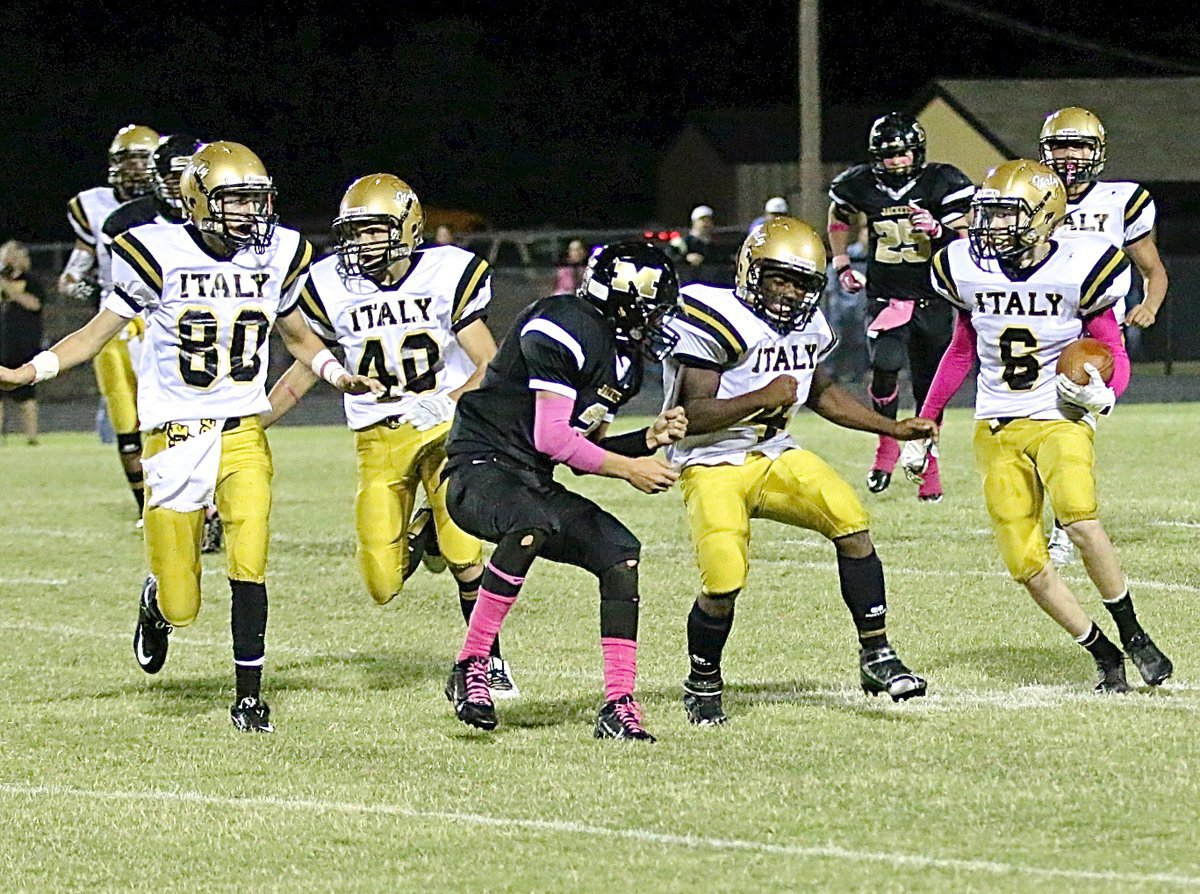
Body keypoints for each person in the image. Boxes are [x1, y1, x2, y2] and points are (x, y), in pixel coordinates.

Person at [0, 141, 383, 732]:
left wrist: (336, 373)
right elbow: (96, 334)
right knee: (183, 602)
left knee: (250, 559)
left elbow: (301, 339)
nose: (250, 215)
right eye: (236, 201)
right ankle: (157, 600)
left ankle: (248, 696)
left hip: (241, 432)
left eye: (257, 200)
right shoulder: (155, 253)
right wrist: (32, 370)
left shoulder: (276, 256)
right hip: (175, 436)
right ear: (199, 200)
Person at [904, 159, 1172, 692]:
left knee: (1077, 517)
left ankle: (1135, 632)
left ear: (1045, 217)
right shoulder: (963, 265)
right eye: (990, 214)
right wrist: (927, 420)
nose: (992, 227)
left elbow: (1112, 350)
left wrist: (1105, 393)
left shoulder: (1083, 265)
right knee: (1025, 561)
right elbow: (961, 349)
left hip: (1059, 415)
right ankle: (1103, 653)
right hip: (996, 422)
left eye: (1006, 214)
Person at [663, 216, 937, 725]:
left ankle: (875, 655)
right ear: (751, 271)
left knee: (850, 520)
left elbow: (821, 391)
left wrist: (890, 429)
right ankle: (702, 681)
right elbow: (689, 416)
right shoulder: (715, 313)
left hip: (775, 454)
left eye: (801, 283)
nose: (789, 293)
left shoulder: (810, 325)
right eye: (778, 278)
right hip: (711, 462)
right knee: (723, 577)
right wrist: (762, 397)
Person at [263, 173, 520, 697]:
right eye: (353, 233)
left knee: (465, 550)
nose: (361, 244)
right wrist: (247, 424)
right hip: (377, 438)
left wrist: (445, 402)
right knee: (381, 583)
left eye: (373, 231)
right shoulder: (329, 284)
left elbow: (489, 364)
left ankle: (487, 660)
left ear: (407, 228)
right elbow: (308, 365)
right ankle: (421, 533)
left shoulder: (447, 272)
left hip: (446, 429)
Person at [443, 242, 686, 740]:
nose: (658, 319)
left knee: (620, 552)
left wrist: (647, 438)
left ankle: (618, 704)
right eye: (653, 304)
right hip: (479, 469)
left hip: (531, 479)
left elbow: (574, 448)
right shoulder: (563, 323)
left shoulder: (623, 360)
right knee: (529, 524)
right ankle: (471, 665)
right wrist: (631, 469)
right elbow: (551, 438)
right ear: (624, 298)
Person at [1038, 106, 1170, 567]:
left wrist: (1149, 306)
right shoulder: (1030, 196)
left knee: (1073, 426)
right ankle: (1046, 516)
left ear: (1097, 151)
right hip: (1041, 324)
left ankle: (1062, 528)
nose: (1069, 156)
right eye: (1059, 145)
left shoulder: (1122, 199)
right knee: (1031, 428)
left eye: (1078, 145)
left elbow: (1152, 269)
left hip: (1097, 330)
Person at [828, 112, 974, 502]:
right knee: (885, 368)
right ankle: (887, 444)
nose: (895, 162)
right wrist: (841, 262)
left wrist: (938, 230)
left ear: (917, 152)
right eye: (889, 156)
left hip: (934, 298)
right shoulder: (859, 184)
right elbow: (838, 219)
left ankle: (928, 464)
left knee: (929, 390)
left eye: (902, 154)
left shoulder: (942, 182)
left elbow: (965, 240)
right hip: (887, 296)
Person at [101, 134, 226, 553]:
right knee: (140, 427)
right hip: (134, 327)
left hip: (201, 336)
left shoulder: (223, 218)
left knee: (209, 420)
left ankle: (208, 508)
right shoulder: (125, 223)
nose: (182, 186)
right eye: (175, 177)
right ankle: (159, 505)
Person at [59, 124, 161, 525]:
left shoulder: (172, 206)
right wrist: (75, 282)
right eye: (127, 159)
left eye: (142, 159)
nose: (134, 167)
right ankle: (144, 509)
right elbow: (77, 265)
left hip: (158, 320)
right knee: (125, 421)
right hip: (113, 321)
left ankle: (193, 503)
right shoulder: (91, 205)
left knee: (166, 416)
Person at [0, 241, 44, 444]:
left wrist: (10, 290)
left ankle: (32, 438)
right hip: (2, 346)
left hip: (24, 347)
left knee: (26, 395)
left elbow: (34, 304)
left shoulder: (32, 281)